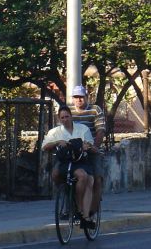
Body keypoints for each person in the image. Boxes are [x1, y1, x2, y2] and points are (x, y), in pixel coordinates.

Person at [42, 105, 95, 224]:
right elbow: (44, 147)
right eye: (62, 117)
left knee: (85, 177)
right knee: (56, 174)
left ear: (71, 116)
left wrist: (86, 146)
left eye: (67, 116)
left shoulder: (83, 129)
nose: (65, 119)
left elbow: (90, 145)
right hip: (65, 161)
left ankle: (81, 208)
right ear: (59, 119)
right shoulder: (54, 132)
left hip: (80, 161)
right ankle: (67, 195)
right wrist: (57, 142)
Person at [70, 84, 106, 214]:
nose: (79, 100)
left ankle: (92, 211)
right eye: (76, 97)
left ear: (86, 97)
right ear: (73, 98)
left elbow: (100, 131)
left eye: (81, 97)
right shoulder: (69, 112)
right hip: (74, 150)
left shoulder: (95, 110)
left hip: (91, 149)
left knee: (97, 179)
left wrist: (94, 148)